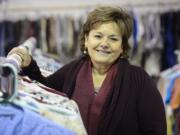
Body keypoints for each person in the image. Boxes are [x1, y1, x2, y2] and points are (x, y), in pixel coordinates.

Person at [8, 6, 167, 135]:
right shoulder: (74, 70)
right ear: (86, 40)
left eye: (113, 39)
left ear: (122, 47)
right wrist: (28, 64)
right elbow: (46, 88)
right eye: (98, 36)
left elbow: (156, 130)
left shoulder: (139, 80)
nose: (104, 44)